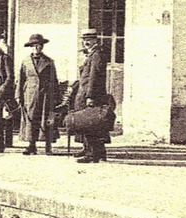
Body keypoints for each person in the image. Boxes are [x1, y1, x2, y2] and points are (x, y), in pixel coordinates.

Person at [67, 28, 114, 163]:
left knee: (91, 123)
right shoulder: (91, 54)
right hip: (86, 92)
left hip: (91, 94)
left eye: (89, 39)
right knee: (89, 123)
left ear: (95, 40)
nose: (86, 42)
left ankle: (93, 153)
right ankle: (91, 150)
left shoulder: (96, 55)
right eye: (84, 40)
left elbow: (94, 77)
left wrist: (90, 96)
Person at [16, 34, 59, 155]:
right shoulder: (26, 62)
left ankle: (48, 146)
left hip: (46, 94)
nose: (37, 47)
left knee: (46, 119)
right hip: (30, 94)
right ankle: (31, 145)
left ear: (42, 46)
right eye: (34, 45)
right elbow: (21, 79)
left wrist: (56, 96)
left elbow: (54, 79)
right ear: (31, 47)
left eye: (39, 45)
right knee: (31, 118)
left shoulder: (49, 62)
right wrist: (18, 95)